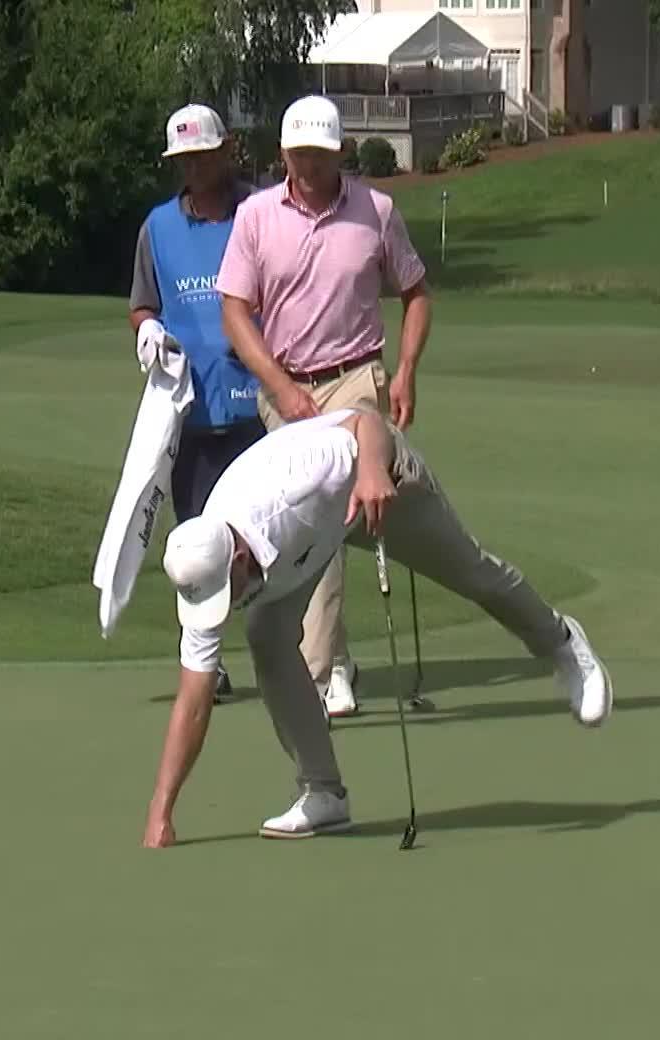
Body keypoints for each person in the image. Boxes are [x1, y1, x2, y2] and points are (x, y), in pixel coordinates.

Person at [139, 406, 612, 849]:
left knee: (471, 572)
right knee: (266, 634)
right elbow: (194, 698)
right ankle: (324, 792)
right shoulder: (201, 571)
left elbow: (367, 424)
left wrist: (370, 473)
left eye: (229, 588)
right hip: (315, 535)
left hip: (370, 477)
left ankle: (563, 644)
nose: (226, 605)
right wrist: (162, 811)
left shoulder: (291, 487)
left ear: (238, 557)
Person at [216, 94, 436, 721]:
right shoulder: (257, 216)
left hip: (357, 379)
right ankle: (333, 659)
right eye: (299, 154)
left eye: (320, 153)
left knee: (333, 506)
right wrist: (280, 386)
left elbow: (416, 295)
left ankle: (317, 675)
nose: (309, 166)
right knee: (303, 521)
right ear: (283, 152)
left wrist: (409, 371)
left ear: (341, 150)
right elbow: (235, 310)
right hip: (286, 387)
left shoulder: (377, 211)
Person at [128, 103, 263, 702]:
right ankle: (207, 665)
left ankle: (308, 660)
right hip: (190, 410)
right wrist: (147, 333)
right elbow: (143, 303)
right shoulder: (157, 227)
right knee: (194, 545)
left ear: (225, 150)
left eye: (200, 156)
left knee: (267, 545)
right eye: (182, 160)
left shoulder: (260, 214)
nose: (192, 168)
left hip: (258, 405)